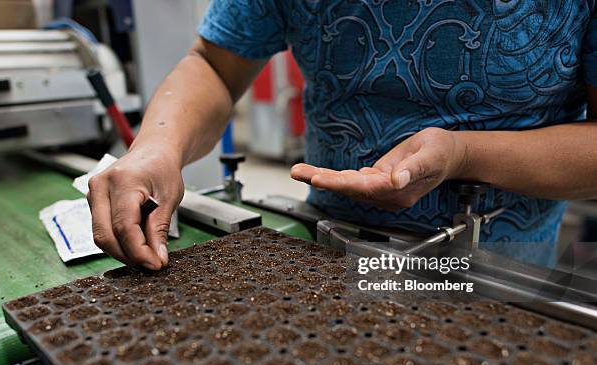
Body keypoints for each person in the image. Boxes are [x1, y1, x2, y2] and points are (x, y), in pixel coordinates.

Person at [87, 1, 597, 270]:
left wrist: (463, 154)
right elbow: (216, 66)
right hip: (327, 252)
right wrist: (158, 146)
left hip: (496, 270)